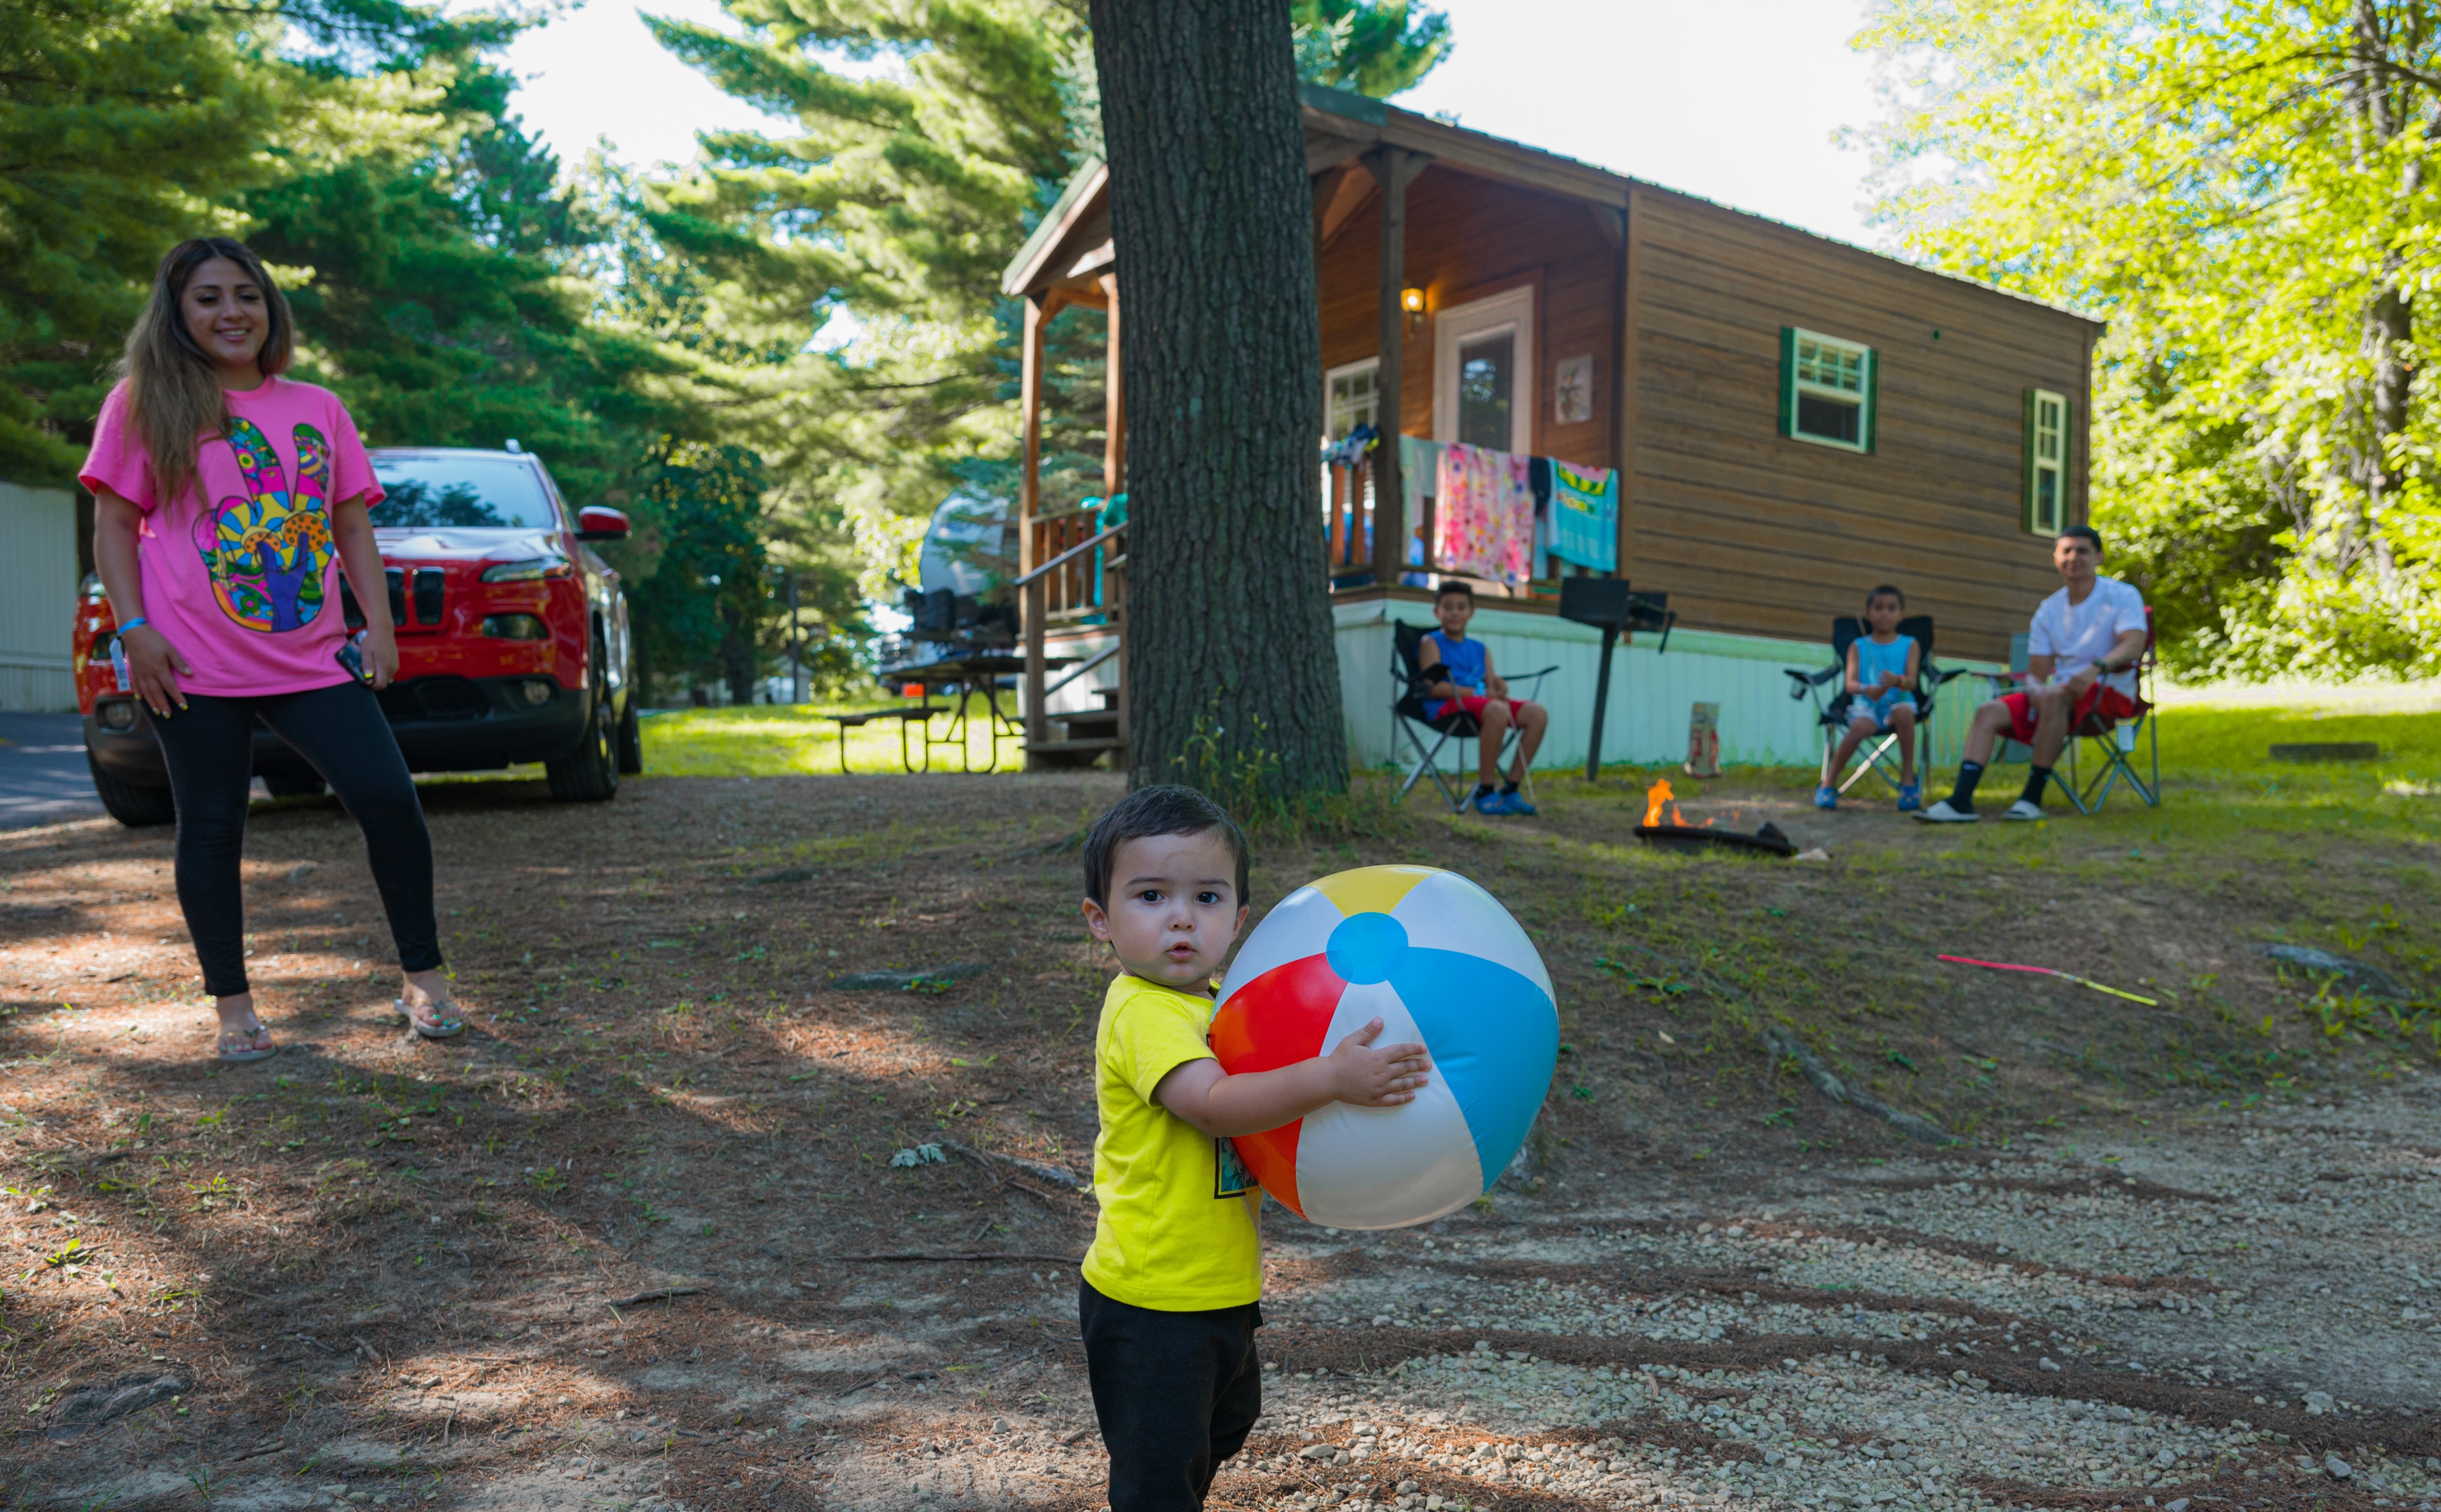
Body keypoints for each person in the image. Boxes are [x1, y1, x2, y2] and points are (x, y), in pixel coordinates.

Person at [80, 237, 461, 1061]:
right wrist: (134, 629)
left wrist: (379, 625)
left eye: (246, 295)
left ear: (269, 307)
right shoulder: (143, 403)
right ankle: (235, 1009)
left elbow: (350, 522)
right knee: (212, 826)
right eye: (208, 297)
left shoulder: (318, 406)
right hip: (192, 662)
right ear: (177, 313)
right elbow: (114, 524)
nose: (232, 312)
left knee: (388, 798)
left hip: (313, 657)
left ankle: (423, 980)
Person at [1077, 786, 1428, 1512]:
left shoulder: (1222, 1006)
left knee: (1224, 1424)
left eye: (1206, 897)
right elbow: (1213, 1104)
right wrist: (1332, 1078)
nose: (1181, 916)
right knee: (1158, 1474)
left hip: (1220, 1285)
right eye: (1150, 895)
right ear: (1100, 920)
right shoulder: (1143, 1011)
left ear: (1239, 920)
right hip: (1152, 1298)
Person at [1916, 524, 2147, 823]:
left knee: (2053, 697)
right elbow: (2036, 674)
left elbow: (2133, 645)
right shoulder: (2049, 610)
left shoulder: (2122, 595)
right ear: (2056, 558)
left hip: (2110, 694)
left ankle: (2031, 798)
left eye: (2082, 551)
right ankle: (1960, 801)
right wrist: (2035, 688)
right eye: (2066, 551)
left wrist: (2095, 668)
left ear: (2098, 557)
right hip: (2059, 697)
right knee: (1988, 711)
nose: (2073, 558)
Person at [1416, 578, 1548, 815]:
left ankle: (1511, 789)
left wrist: (1499, 686)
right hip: (1447, 708)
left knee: (1537, 714)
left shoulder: (1481, 649)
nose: (1455, 613)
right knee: (1496, 708)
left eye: (1461, 607)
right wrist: (1482, 693)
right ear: (1437, 612)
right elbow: (1433, 688)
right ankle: (1485, 791)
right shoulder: (1431, 642)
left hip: (1483, 707)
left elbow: (1491, 685)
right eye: (1448, 607)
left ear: (1472, 613)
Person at [1815, 584, 1923, 811]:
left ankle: (1908, 780)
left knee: (1905, 714)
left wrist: (1897, 681)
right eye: (1879, 608)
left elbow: (1913, 682)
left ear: (1901, 614)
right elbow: (1850, 684)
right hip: (1866, 706)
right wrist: (1867, 689)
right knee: (1859, 728)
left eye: (1892, 608)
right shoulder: (1858, 646)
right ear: (1868, 613)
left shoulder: (1910, 644)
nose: (1885, 613)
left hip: (1899, 703)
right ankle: (1828, 783)